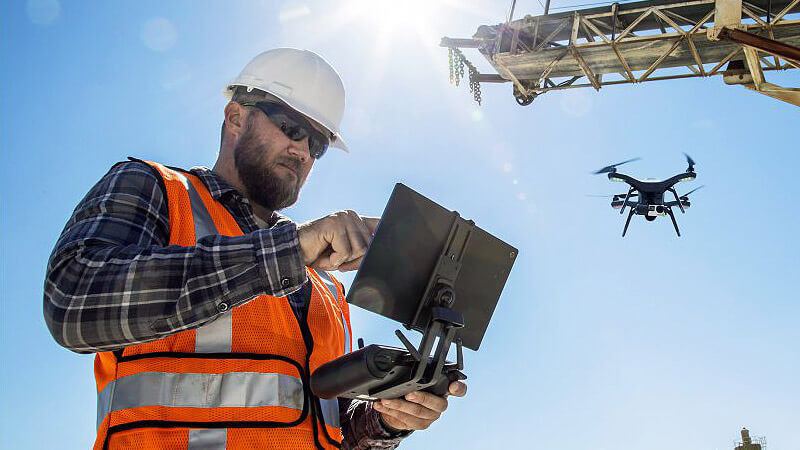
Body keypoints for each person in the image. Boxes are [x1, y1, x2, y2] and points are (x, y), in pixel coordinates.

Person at [43, 48, 466, 450]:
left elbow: (324, 426)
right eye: (292, 128)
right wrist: (288, 252)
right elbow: (73, 301)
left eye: (317, 145)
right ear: (235, 118)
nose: (303, 151)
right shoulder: (158, 189)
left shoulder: (324, 283)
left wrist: (387, 419)